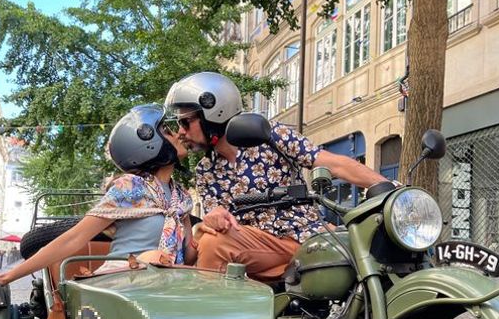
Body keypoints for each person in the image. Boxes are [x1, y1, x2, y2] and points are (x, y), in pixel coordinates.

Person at [165, 71, 389, 280]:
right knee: (212, 242)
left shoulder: (270, 135)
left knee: (378, 249)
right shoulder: (205, 171)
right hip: (261, 250)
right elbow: (220, 220)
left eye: (185, 122)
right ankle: (212, 318)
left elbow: (334, 164)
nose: (181, 132)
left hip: (308, 235)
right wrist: (213, 217)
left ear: (214, 113)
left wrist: (388, 187)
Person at [0, 104, 195, 291]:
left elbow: (189, 255)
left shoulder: (181, 198)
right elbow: (74, 238)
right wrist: (5, 276)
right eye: (167, 130)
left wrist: (210, 233)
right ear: (149, 142)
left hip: (167, 288)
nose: (177, 134)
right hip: (122, 284)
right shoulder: (130, 188)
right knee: (153, 258)